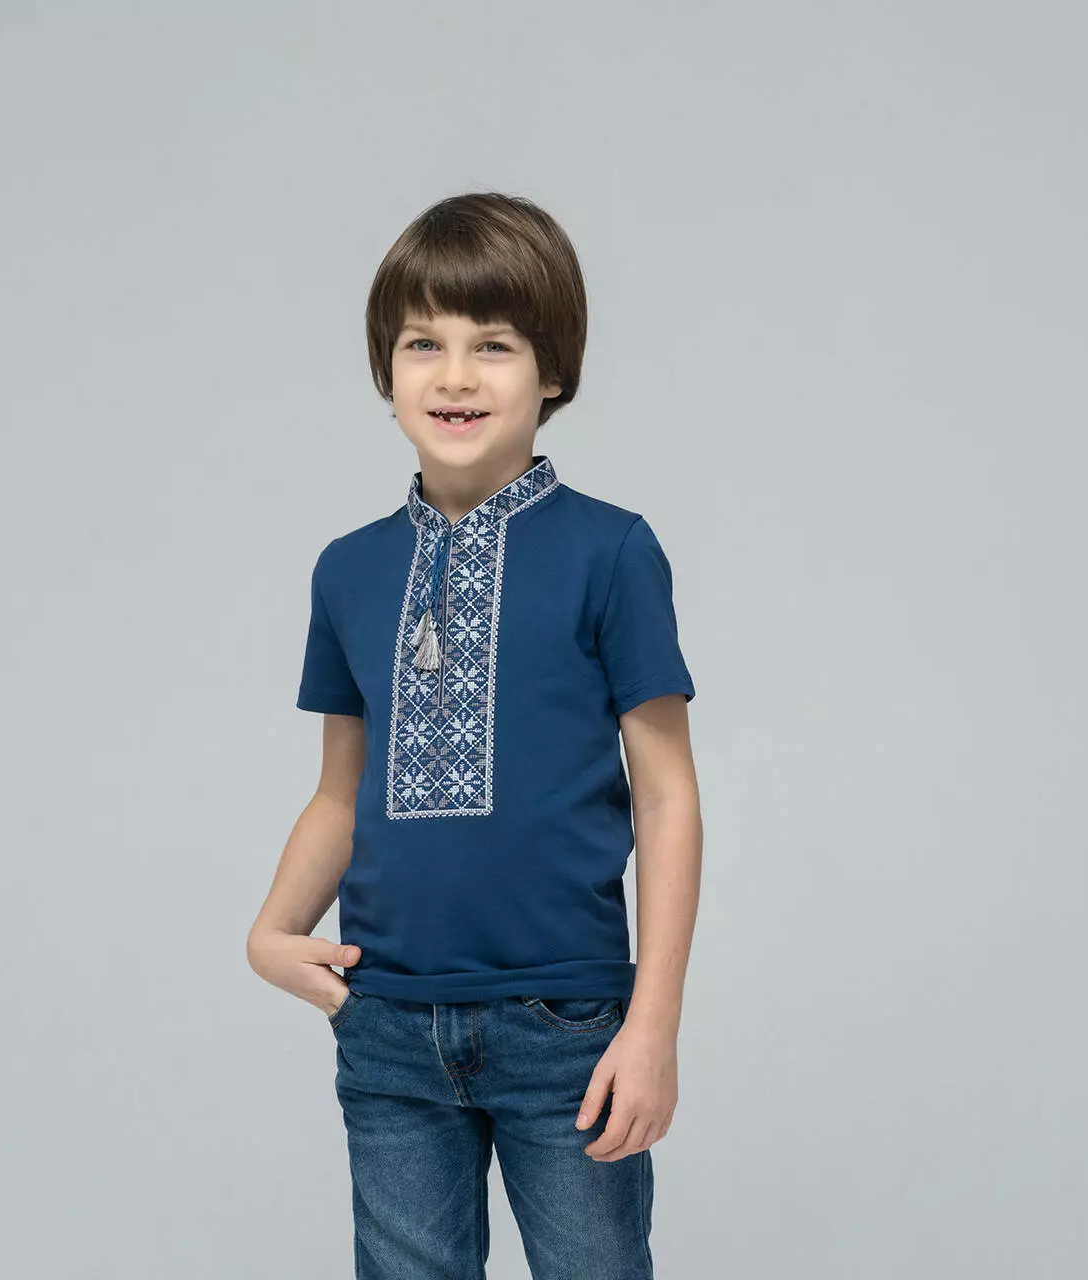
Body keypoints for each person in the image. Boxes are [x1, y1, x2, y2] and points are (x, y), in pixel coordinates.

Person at [247, 191, 703, 1279]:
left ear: (552, 372)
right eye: (424, 344)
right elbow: (340, 791)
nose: (454, 376)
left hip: (568, 1027)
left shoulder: (611, 552)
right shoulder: (347, 570)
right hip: (389, 1025)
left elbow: (666, 796)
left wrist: (651, 1026)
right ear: (387, 369)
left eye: (492, 344)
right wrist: (271, 930)